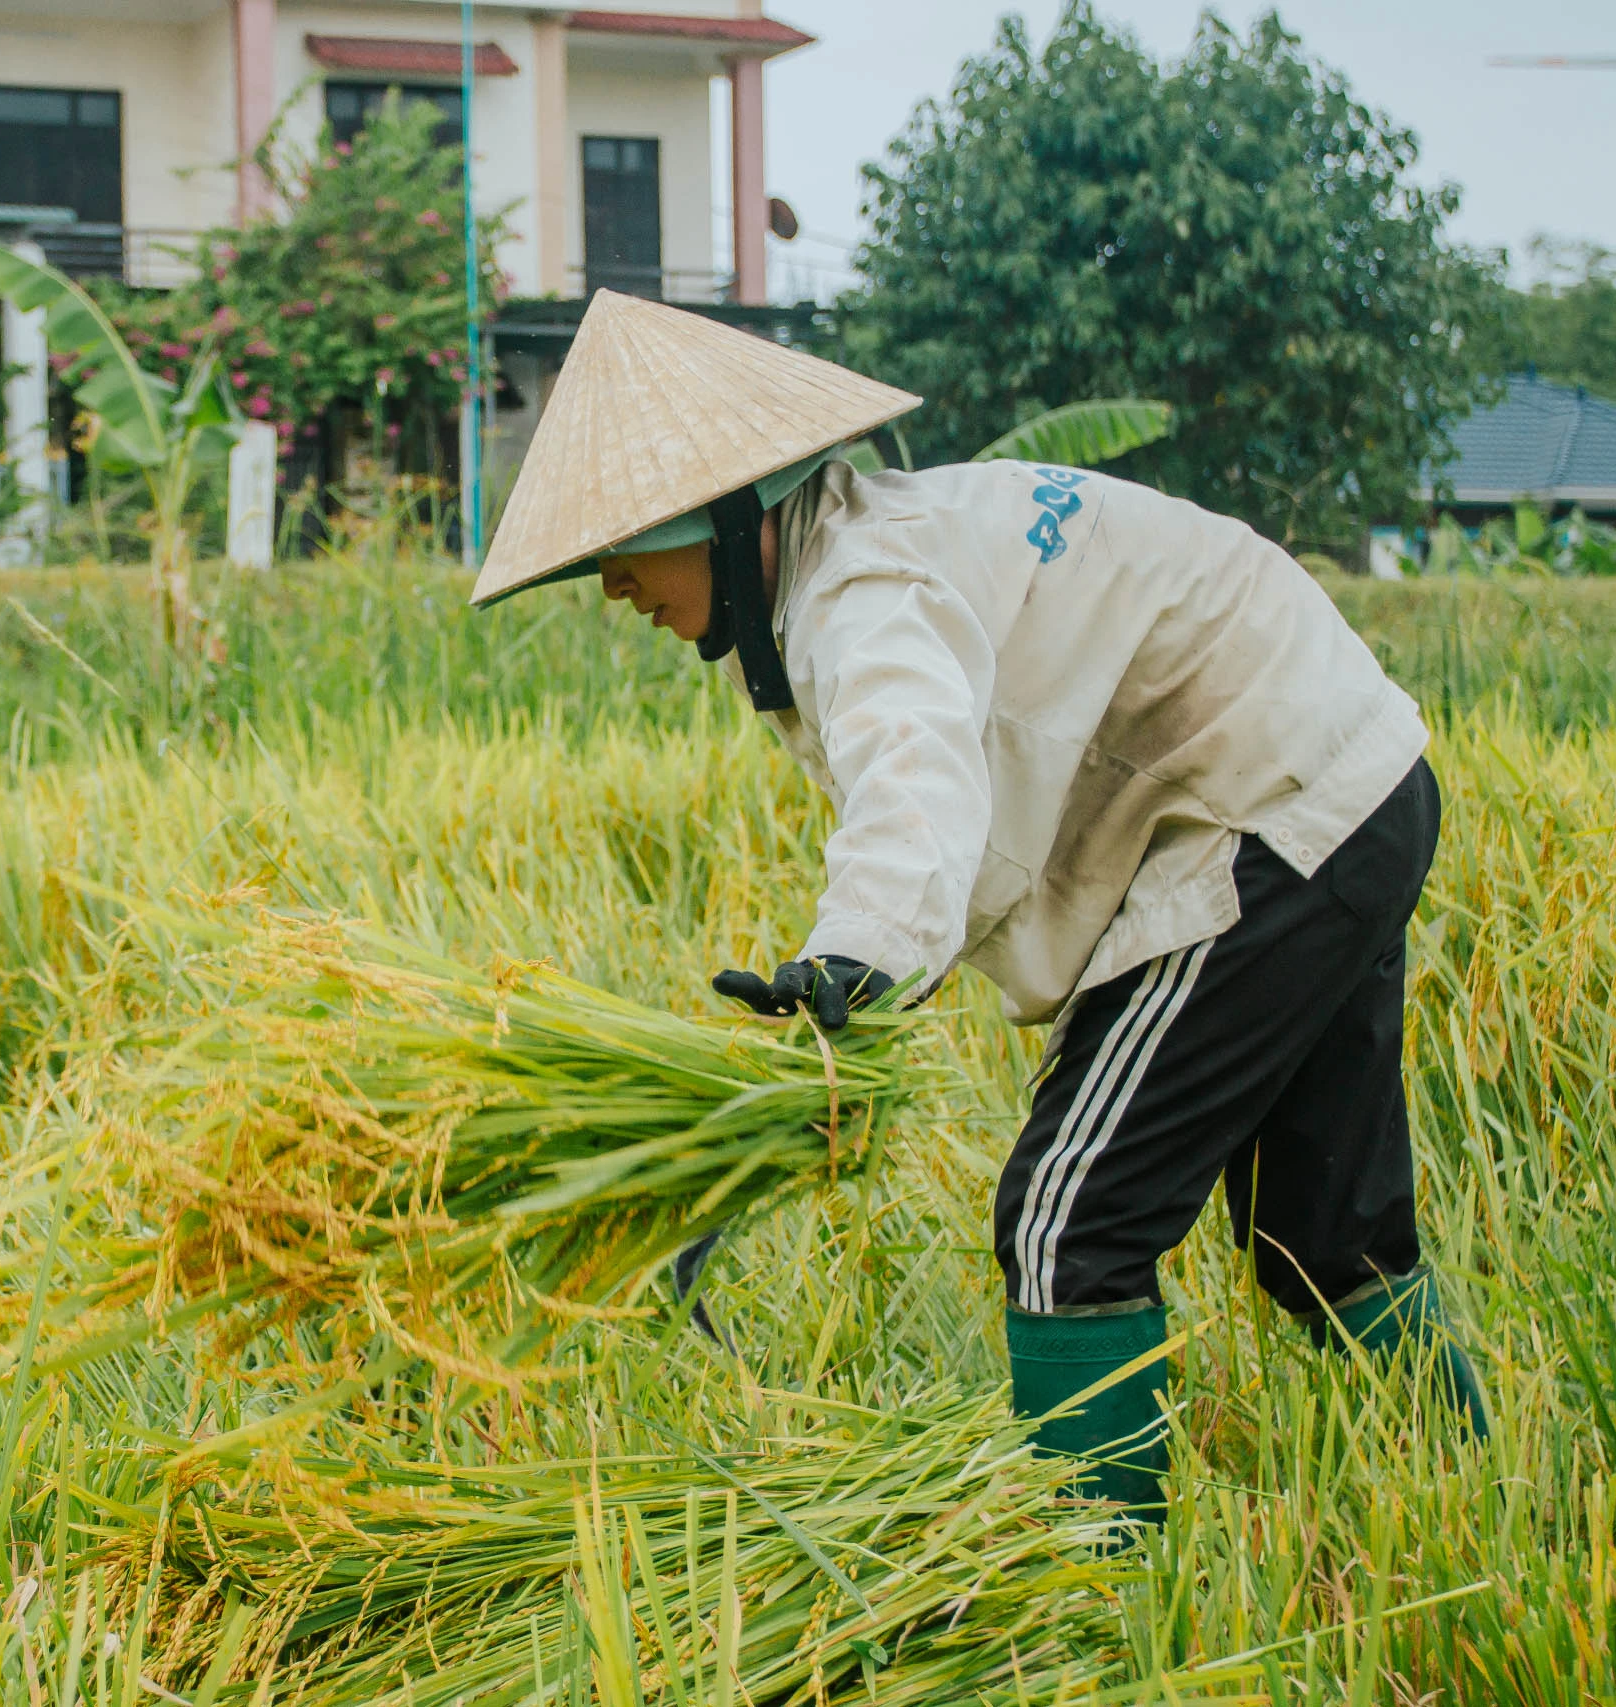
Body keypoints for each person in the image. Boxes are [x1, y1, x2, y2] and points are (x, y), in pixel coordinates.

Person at [472, 291, 1487, 1517]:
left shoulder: (865, 590)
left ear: (731, 513)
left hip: (1261, 812)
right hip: (1351, 775)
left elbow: (917, 783)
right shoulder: (877, 544)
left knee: (1070, 1225)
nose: (612, 585)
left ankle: (1093, 1588)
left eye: (626, 545)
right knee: (1322, 1232)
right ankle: (1480, 1482)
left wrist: (853, 960)